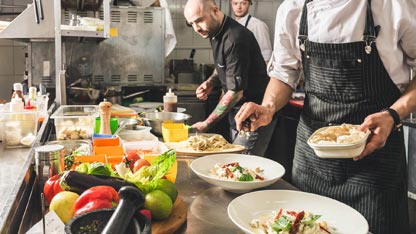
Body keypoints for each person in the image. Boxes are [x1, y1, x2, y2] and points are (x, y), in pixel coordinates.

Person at [234, 0, 416, 233]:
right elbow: (285, 71)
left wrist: (393, 114)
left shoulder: (393, 5)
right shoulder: (293, 8)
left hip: (374, 160)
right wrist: (268, 106)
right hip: (312, 160)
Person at [183, 0, 274, 156]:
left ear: (215, 10)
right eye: (191, 23)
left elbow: (235, 92)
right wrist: (211, 82)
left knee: (243, 168)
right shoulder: (213, 32)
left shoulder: (235, 38)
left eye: (199, 20)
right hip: (237, 113)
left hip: (253, 117)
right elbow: (223, 66)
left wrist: (206, 123)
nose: (196, 28)